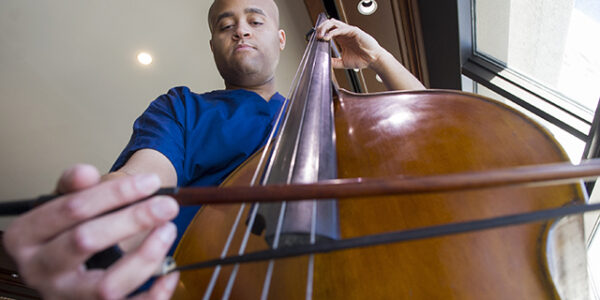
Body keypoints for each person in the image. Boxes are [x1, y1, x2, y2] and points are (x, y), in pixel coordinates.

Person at [2, 0, 425, 299]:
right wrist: (104, 207)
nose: (240, 29)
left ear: (280, 39)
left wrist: (378, 55)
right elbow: (144, 175)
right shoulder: (182, 106)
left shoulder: (332, 114)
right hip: (199, 286)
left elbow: (431, 129)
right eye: (226, 25)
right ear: (214, 47)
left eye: (254, 21)